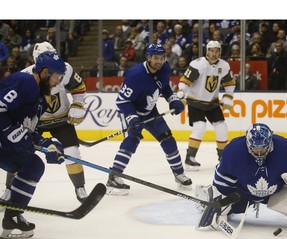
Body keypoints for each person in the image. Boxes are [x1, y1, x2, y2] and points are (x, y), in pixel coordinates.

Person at [1, 41, 88, 203]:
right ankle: (9, 190)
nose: (58, 80)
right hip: (36, 121)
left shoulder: (64, 68)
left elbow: (79, 87)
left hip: (61, 119)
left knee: (72, 152)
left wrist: (78, 103)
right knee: (19, 155)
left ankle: (79, 187)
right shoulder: (26, 78)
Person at [106, 43, 192, 196]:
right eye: (156, 58)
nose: (159, 61)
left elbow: (164, 87)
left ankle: (179, 174)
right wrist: (132, 118)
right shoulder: (136, 75)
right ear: (148, 57)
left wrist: (172, 100)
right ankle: (114, 176)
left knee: (168, 139)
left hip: (151, 112)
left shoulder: (164, 68)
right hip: (132, 111)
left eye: (162, 58)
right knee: (132, 140)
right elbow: (122, 101)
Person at [0, 51, 66, 239]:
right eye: (57, 77)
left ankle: (12, 216)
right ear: (45, 72)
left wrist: (49, 144)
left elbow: (27, 132)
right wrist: (8, 131)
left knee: (33, 165)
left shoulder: (40, 102)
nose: (58, 83)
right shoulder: (24, 81)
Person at [177, 40, 236, 170]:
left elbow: (230, 83)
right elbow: (185, 81)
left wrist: (228, 97)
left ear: (220, 52)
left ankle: (223, 158)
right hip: (195, 101)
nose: (214, 54)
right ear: (207, 51)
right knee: (199, 127)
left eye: (217, 51)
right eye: (211, 51)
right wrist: (181, 92)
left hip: (212, 103)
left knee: (222, 128)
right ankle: (190, 158)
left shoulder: (224, 66)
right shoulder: (198, 64)